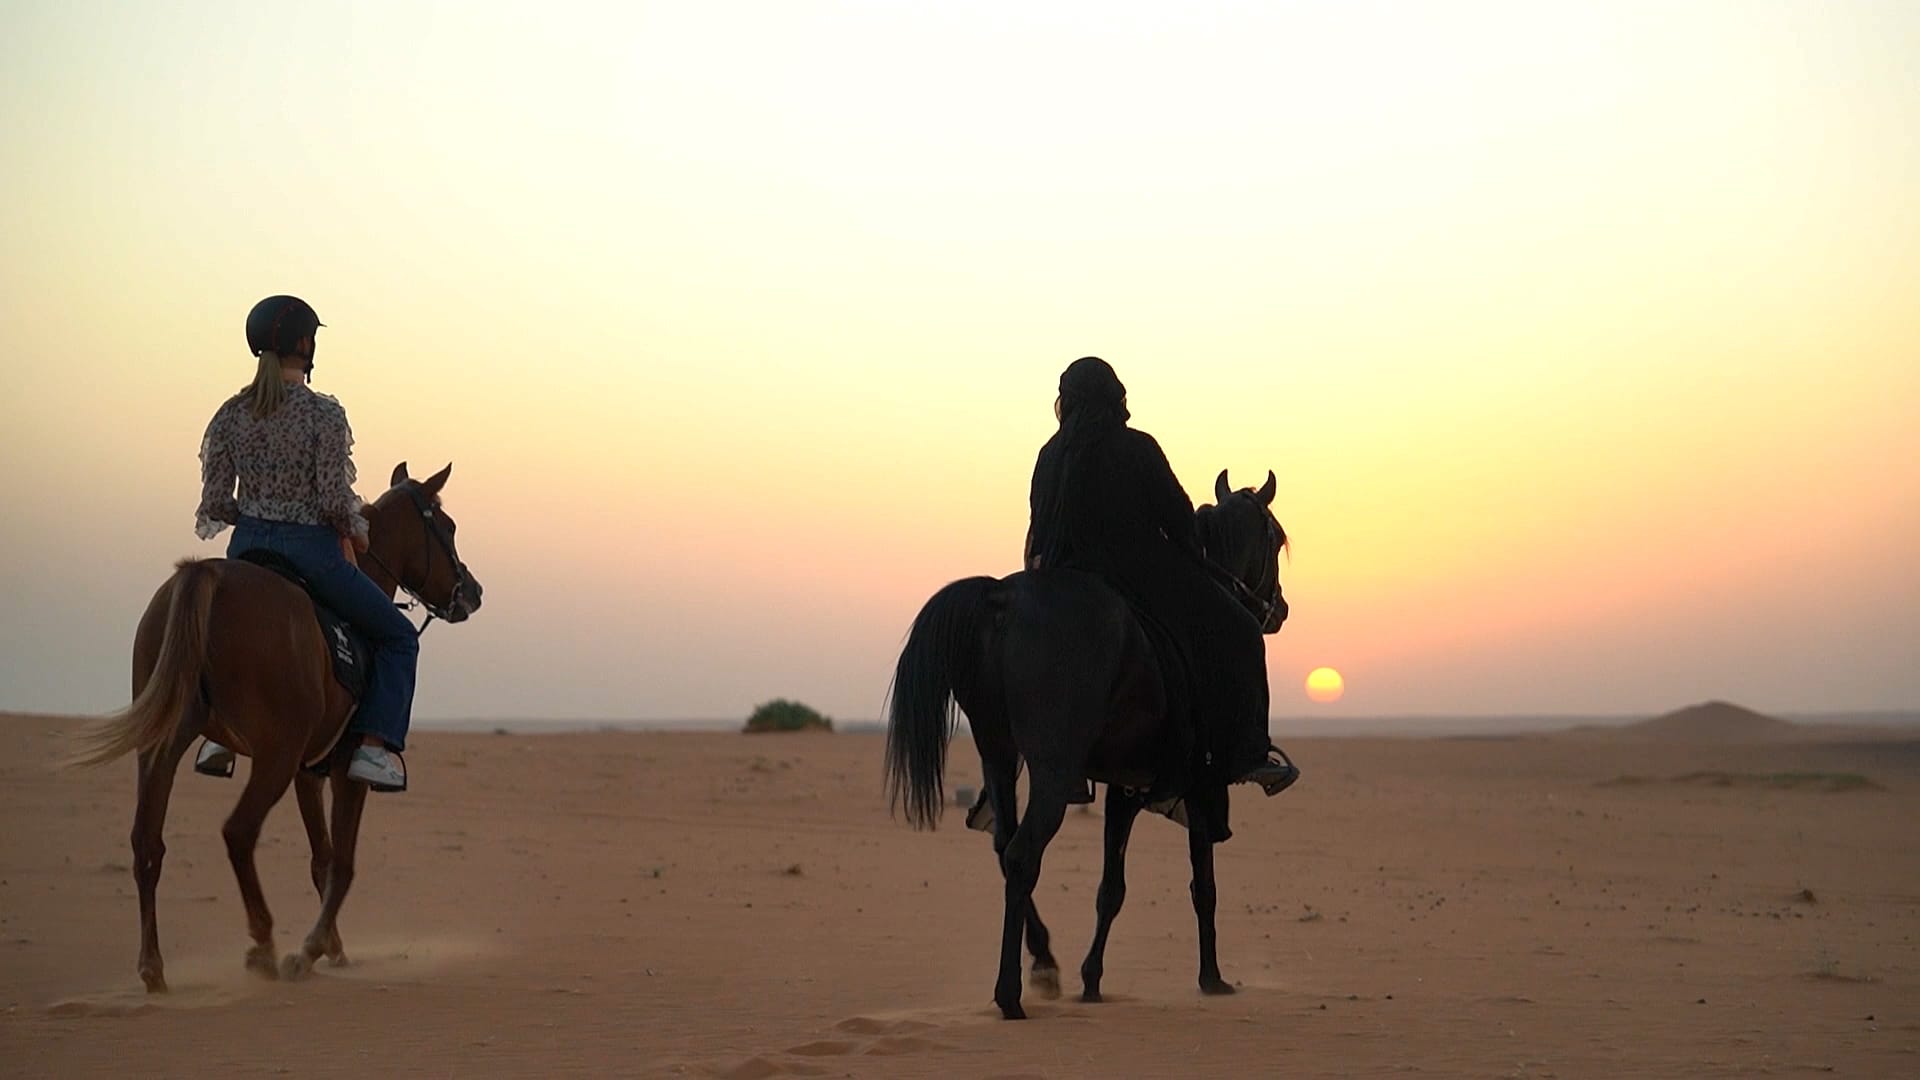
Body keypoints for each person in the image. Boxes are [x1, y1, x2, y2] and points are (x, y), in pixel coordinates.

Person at [1027, 356, 1293, 796]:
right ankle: (1250, 751)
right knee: (1243, 631)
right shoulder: (1136, 447)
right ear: (1116, 399)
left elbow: (1039, 529)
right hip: (1137, 578)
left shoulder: (1049, 456)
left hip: (1060, 582)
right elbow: (1179, 517)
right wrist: (1193, 556)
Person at [190, 295, 417, 792]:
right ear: (304, 344)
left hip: (247, 549)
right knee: (399, 637)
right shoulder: (322, 415)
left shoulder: (230, 415)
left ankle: (219, 737)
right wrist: (355, 529)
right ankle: (376, 751)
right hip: (311, 553)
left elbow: (214, 503)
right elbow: (335, 499)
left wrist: (255, 513)